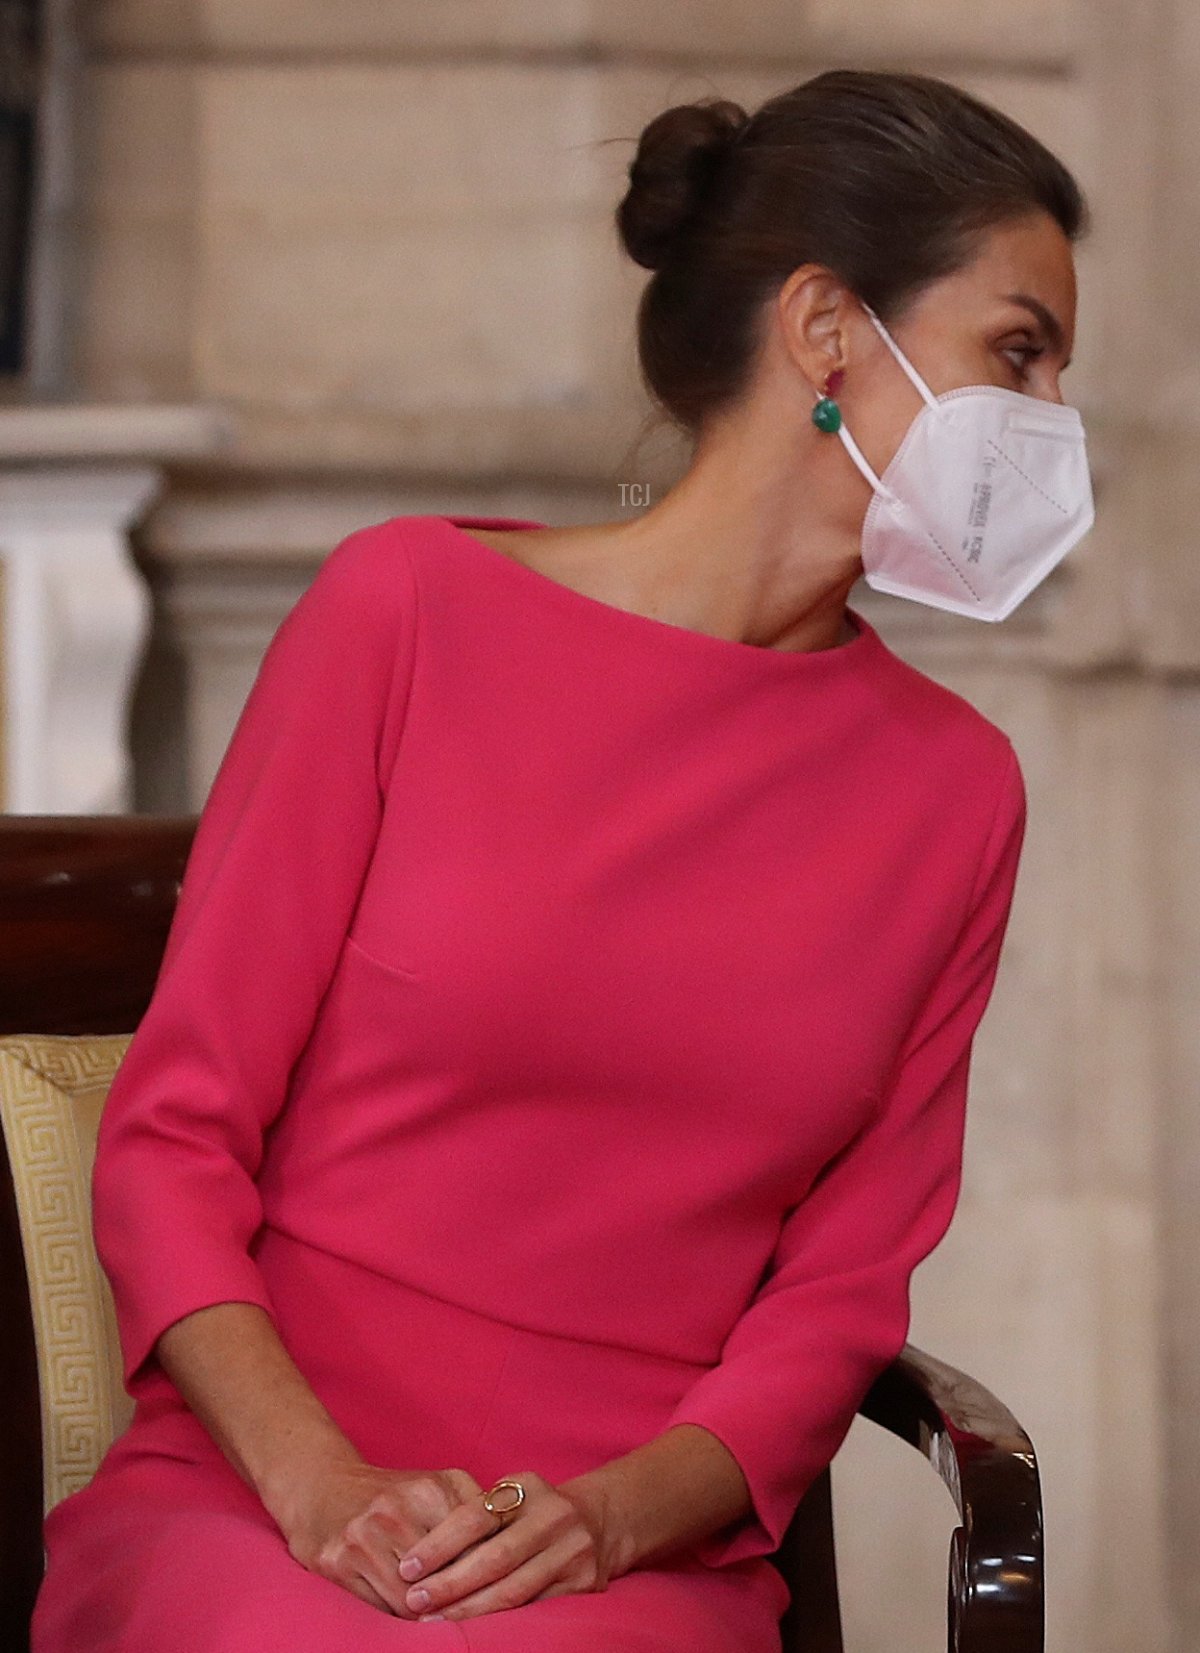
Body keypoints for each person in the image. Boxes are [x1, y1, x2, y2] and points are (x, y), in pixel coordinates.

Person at [32, 66, 1088, 1652]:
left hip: (632, 1556)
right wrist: (321, 1485)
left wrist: (603, 1522)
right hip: (266, 1498)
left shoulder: (957, 794)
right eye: (1018, 353)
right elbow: (173, 1140)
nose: (1055, 429)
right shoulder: (405, 615)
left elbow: (838, 1296)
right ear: (828, 328)